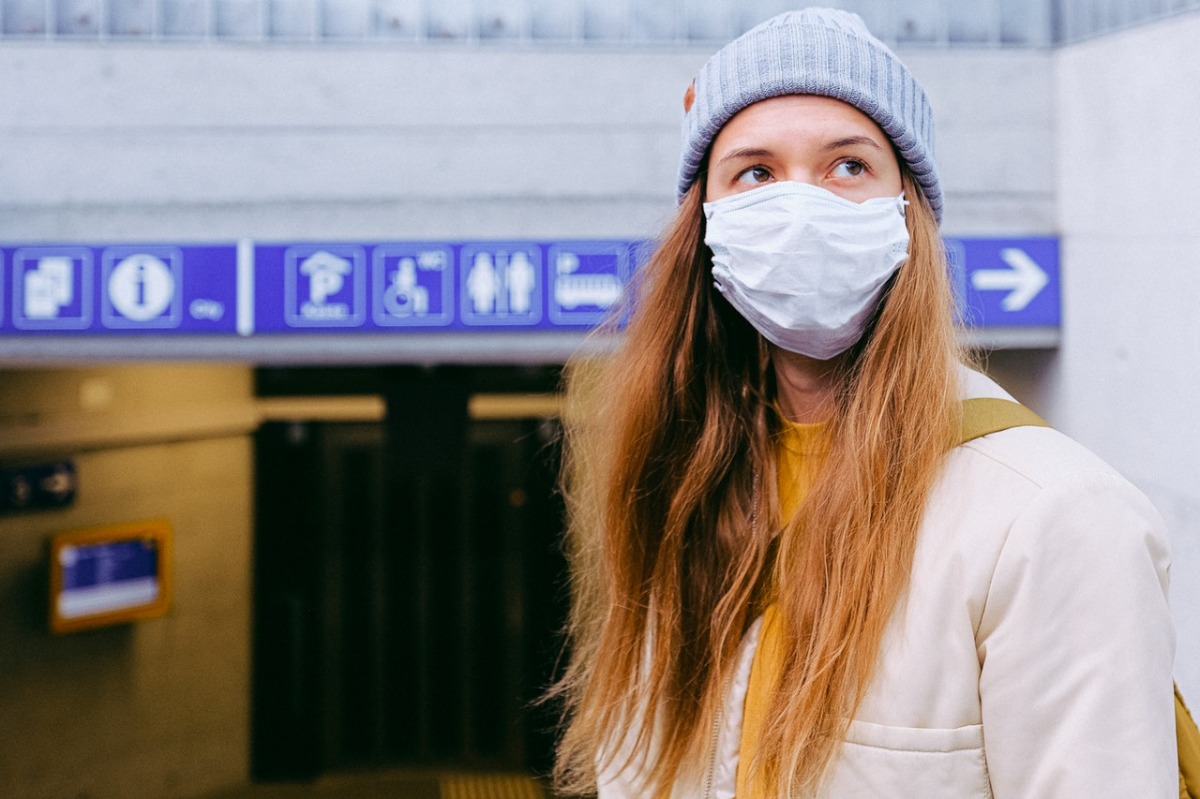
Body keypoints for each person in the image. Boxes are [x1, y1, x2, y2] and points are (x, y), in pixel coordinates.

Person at [549, 7, 1177, 798]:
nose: (801, 206)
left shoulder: (1054, 517)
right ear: (704, 224)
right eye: (756, 172)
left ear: (909, 211)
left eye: (850, 165)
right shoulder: (679, 492)